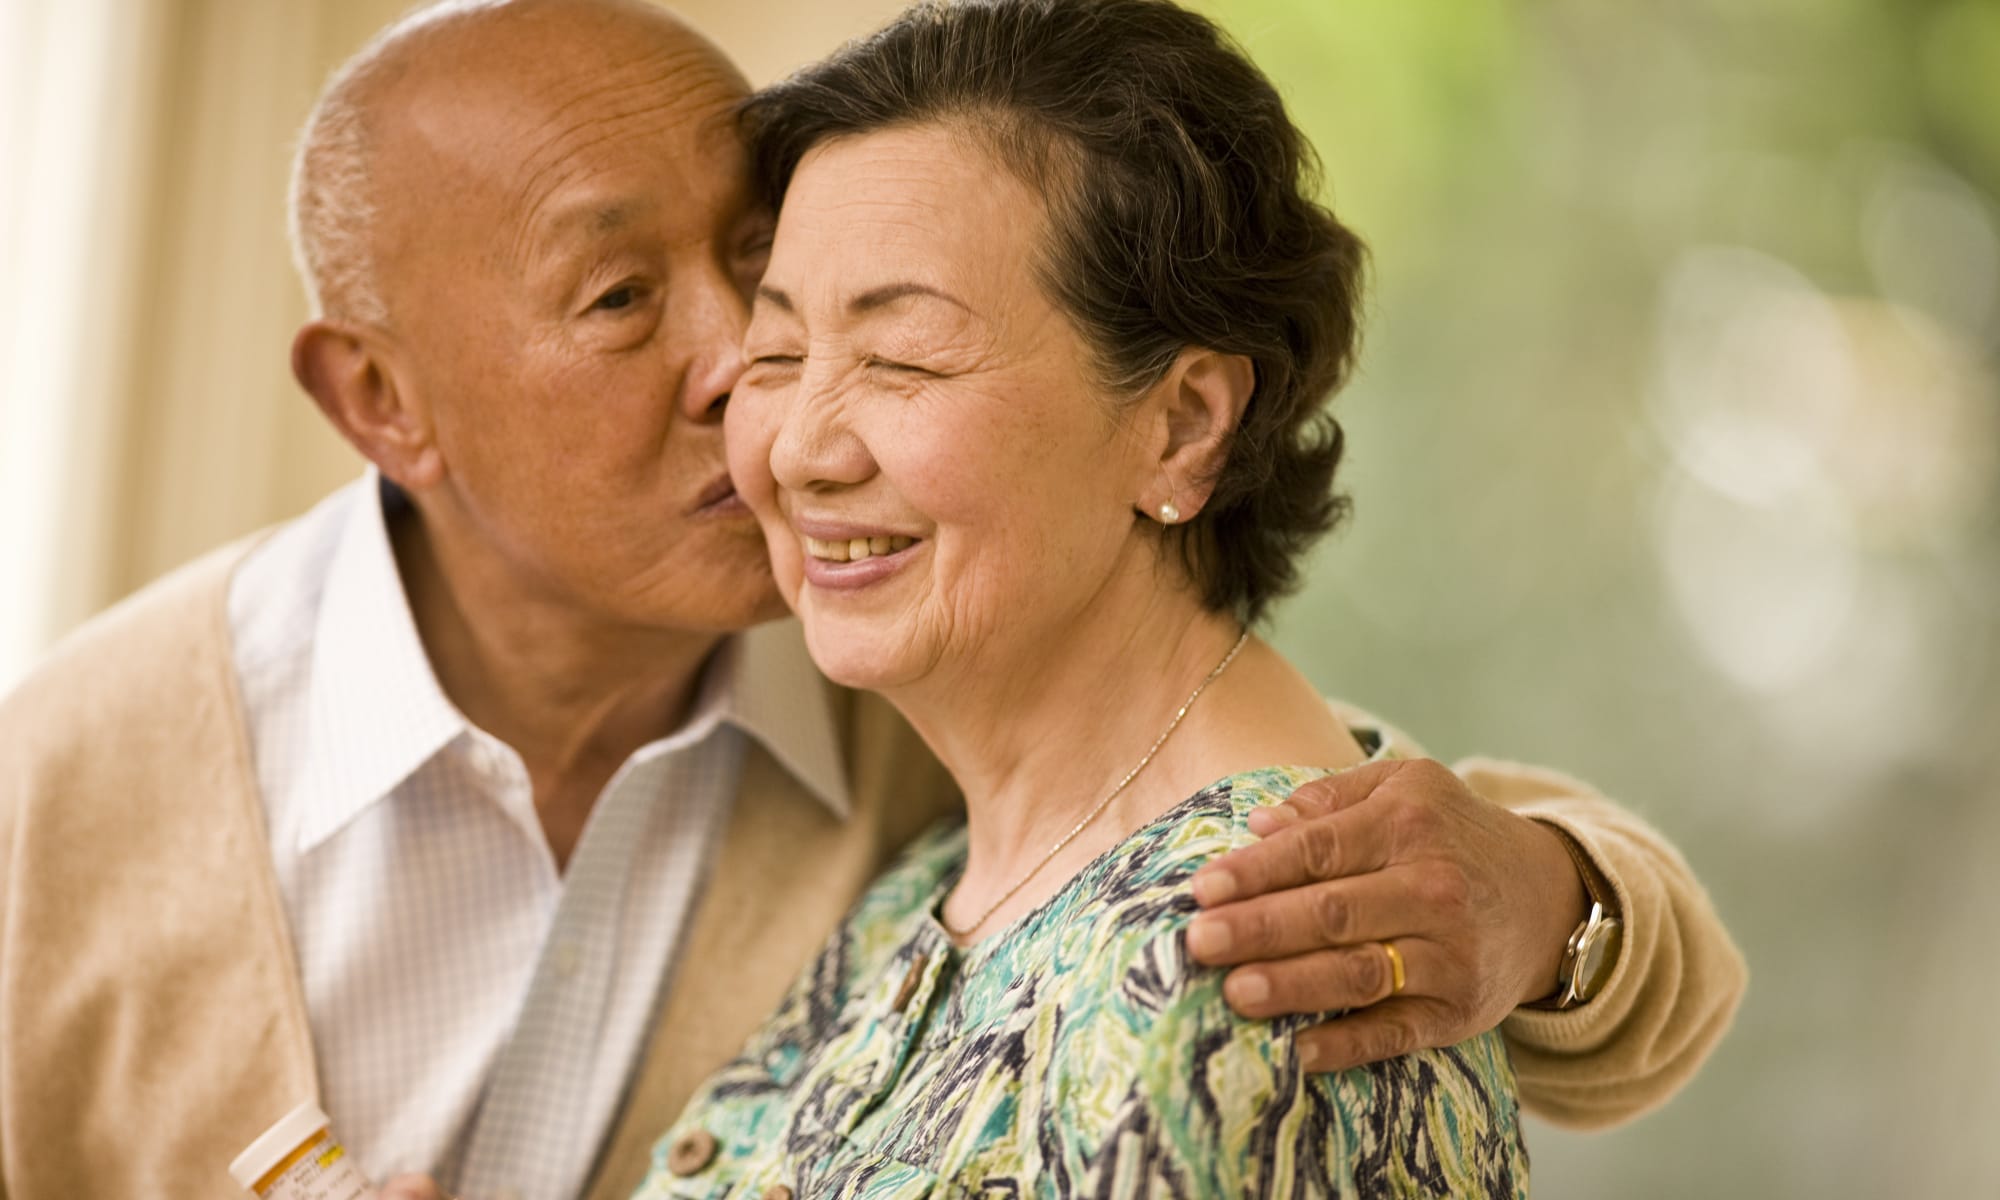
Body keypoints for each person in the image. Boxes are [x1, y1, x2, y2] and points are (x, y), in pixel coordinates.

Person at [0, 1, 1744, 1199]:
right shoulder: (67, 799)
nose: (749, 395)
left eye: (771, 293)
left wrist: (1550, 899)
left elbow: (1345, 837)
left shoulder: (928, 668)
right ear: (383, 401)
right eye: (621, 300)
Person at [620, 0, 1724, 1194]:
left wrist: (1562, 896)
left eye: (903, 357)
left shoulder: (1249, 958)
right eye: (777, 356)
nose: (797, 454)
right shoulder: (948, 874)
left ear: (1182, 424)